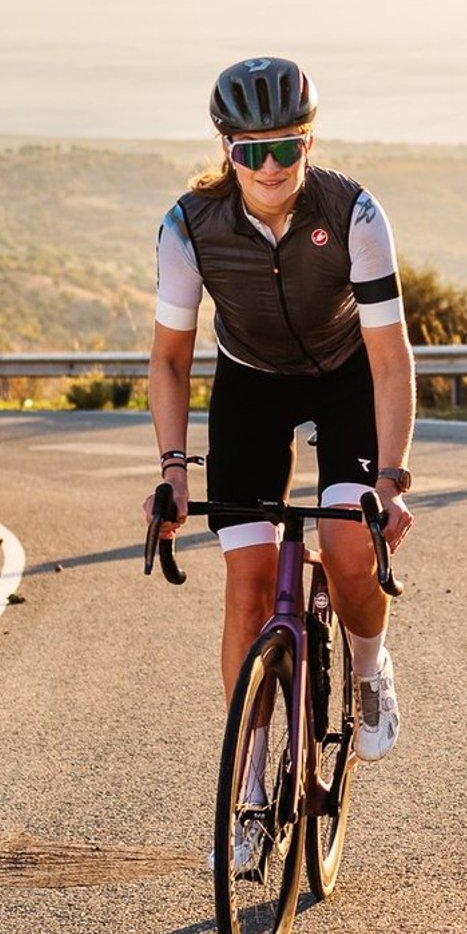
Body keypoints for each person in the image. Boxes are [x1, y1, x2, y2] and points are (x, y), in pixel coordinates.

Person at [144, 57, 416, 758]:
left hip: (346, 376)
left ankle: (366, 669)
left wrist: (390, 480)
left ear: (309, 145)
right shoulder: (189, 227)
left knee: (353, 551)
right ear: (228, 152)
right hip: (250, 386)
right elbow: (171, 359)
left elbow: (390, 357)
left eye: (286, 147)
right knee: (250, 582)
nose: (270, 167)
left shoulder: (353, 213)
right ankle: (252, 777)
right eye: (251, 151)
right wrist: (174, 472)